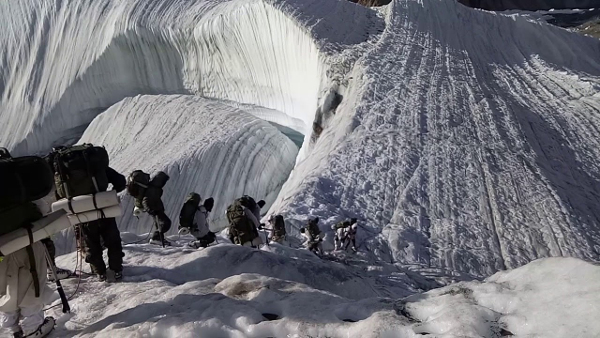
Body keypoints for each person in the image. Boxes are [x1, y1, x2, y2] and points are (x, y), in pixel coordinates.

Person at [50, 144, 126, 282]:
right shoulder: (95, 166)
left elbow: (60, 195)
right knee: (112, 240)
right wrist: (110, 193)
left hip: (82, 212)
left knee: (91, 242)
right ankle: (116, 270)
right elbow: (120, 182)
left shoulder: (63, 172)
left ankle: (99, 272)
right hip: (103, 207)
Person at [141, 172, 172, 246]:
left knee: (159, 225)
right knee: (166, 223)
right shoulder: (153, 188)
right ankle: (156, 239)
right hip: (155, 210)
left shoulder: (155, 187)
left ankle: (159, 239)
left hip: (156, 209)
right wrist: (150, 210)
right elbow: (146, 200)